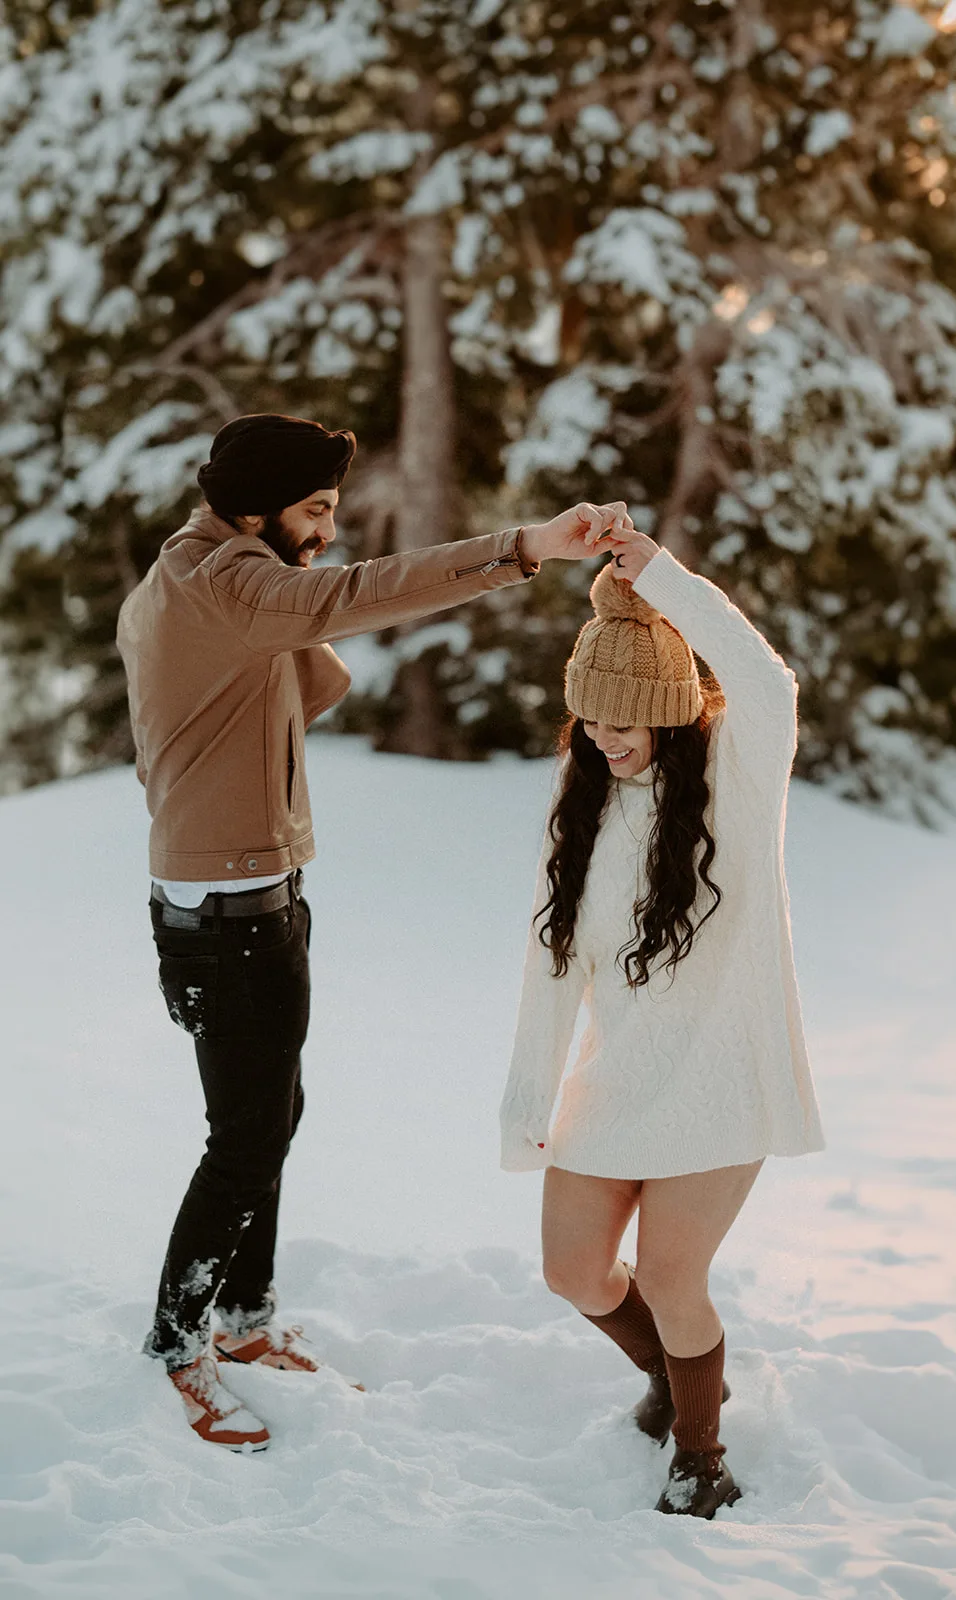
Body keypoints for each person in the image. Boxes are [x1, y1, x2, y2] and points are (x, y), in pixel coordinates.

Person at [117, 410, 633, 1452]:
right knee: (244, 1136)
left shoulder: (212, 572)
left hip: (256, 897)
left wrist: (285, 628)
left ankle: (246, 1316)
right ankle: (179, 1345)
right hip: (223, 916)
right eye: (314, 512)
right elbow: (345, 602)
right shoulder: (222, 583)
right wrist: (523, 546)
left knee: (273, 1112)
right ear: (255, 509)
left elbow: (309, 665)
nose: (327, 533)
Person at [498, 529, 824, 1517]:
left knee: (676, 1280)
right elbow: (551, 967)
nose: (603, 736)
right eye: (588, 717)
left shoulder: (737, 774)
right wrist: (528, 1099)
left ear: (670, 711)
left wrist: (660, 575)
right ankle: (675, 1376)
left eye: (624, 719)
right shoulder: (589, 808)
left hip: (719, 1084)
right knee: (573, 1270)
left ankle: (699, 1449)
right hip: (615, 1083)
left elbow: (766, 685)